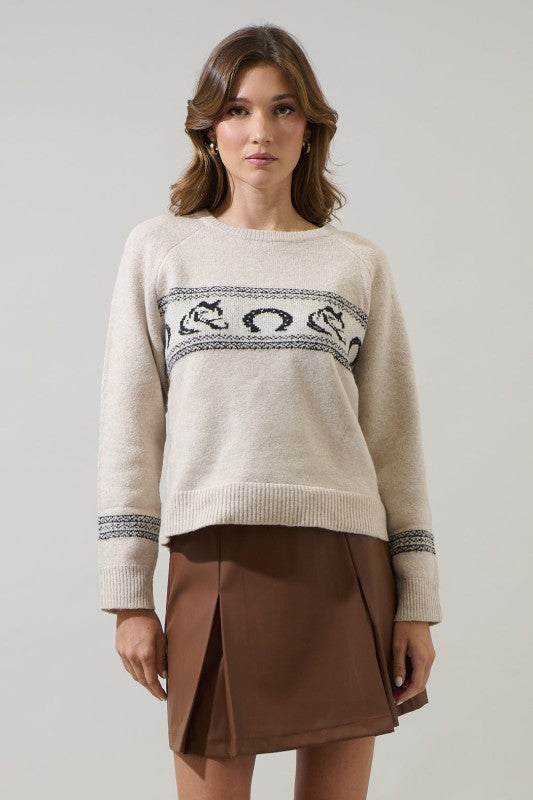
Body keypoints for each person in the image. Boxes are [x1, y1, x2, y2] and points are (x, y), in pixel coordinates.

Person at [96, 23, 442, 800]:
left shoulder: (356, 265)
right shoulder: (160, 251)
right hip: (212, 557)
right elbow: (129, 430)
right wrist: (128, 596)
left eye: (283, 109)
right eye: (238, 110)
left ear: (308, 127)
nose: (260, 131)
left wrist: (416, 602)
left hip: (345, 564)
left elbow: (394, 441)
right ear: (208, 128)